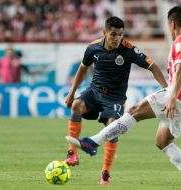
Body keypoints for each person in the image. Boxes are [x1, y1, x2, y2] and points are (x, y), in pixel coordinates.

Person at [67, 7, 181, 189]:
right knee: (162, 141)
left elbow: (180, 70)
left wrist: (171, 98)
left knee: (134, 111)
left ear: (172, 24)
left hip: (179, 95)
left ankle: (93, 142)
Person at [64, 16, 167, 185]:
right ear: (104, 33)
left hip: (115, 98)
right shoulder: (92, 48)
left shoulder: (129, 50)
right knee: (76, 105)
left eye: (120, 34)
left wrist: (167, 90)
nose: (117, 38)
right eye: (113, 34)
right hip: (95, 91)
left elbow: (153, 66)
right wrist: (71, 92)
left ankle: (105, 172)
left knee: (112, 127)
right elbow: (82, 69)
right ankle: (72, 154)